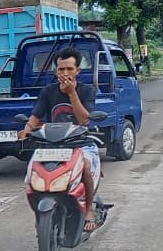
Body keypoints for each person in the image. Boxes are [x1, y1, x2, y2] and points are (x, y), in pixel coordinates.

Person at [16, 47, 100, 232]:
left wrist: (71, 93)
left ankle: (89, 209)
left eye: (70, 69)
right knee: (33, 173)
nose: (65, 73)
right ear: (56, 71)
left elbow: (84, 120)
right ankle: (40, 214)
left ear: (78, 70)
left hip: (81, 144)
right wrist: (26, 130)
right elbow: (35, 116)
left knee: (85, 165)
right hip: (52, 144)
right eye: (61, 69)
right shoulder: (48, 91)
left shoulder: (87, 90)